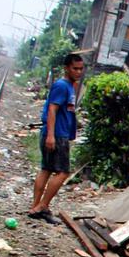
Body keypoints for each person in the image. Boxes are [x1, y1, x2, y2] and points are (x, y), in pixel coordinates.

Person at [29, 53, 86, 223]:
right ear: (66, 68)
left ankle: (35, 207)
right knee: (62, 172)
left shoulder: (69, 86)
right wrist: (52, 136)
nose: (78, 72)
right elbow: (52, 110)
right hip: (56, 134)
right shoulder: (62, 86)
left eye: (81, 69)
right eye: (75, 68)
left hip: (57, 133)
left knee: (46, 169)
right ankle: (43, 206)